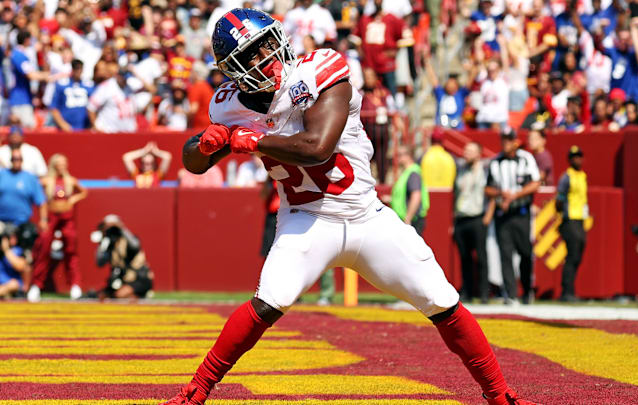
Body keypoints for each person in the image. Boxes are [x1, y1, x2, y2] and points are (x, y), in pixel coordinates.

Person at [161, 9, 537, 405]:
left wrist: (251, 141)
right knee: (270, 299)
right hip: (305, 219)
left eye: (269, 42)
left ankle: (500, 395)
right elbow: (193, 161)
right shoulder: (229, 106)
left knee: (440, 299)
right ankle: (196, 392)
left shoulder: (320, 68)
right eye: (254, 53)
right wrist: (206, 143)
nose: (268, 55)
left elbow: (316, 147)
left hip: (365, 216)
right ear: (233, 68)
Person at [485, 129, 540, 305]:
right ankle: (511, 293)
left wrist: (515, 195)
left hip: (521, 213)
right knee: (505, 254)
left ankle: (526, 291)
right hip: (503, 215)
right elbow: (487, 188)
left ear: (516, 141)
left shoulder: (526, 158)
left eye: (509, 140)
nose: (506, 143)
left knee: (525, 252)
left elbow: (535, 183)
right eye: (504, 140)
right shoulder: (496, 162)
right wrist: (501, 194)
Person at [27, 154, 88, 303]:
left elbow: (84, 192)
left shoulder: (70, 181)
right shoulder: (47, 181)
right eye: (59, 163)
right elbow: (35, 190)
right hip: (52, 217)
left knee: (71, 250)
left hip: (67, 218)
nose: (61, 166)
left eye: (63, 163)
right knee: (43, 249)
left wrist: (72, 199)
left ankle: (75, 286)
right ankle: (36, 285)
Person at [453, 142, 494, 303]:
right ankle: (467, 292)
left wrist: (488, 216)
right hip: (461, 218)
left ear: (479, 154)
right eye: (465, 150)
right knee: (465, 258)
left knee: (481, 257)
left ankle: (484, 292)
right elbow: (456, 195)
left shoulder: (484, 170)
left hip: (477, 217)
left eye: (470, 151)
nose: (466, 153)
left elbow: (492, 192)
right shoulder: (460, 170)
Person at [91, 214, 154, 300]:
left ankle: (141, 295)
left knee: (119, 295)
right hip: (121, 280)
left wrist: (120, 228)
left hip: (139, 279)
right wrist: (103, 240)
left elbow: (136, 245)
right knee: (101, 296)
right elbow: (99, 262)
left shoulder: (127, 240)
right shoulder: (108, 243)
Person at [555, 146, 588, 302]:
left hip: (580, 219)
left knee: (577, 255)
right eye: (574, 157)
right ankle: (566, 291)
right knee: (572, 255)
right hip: (570, 219)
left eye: (579, 156)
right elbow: (559, 198)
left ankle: (570, 290)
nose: (577, 159)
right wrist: (562, 216)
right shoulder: (566, 176)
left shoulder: (582, 175)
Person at [8, 30, 52, 128]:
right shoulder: (18, 55)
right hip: (20, 99)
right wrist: (48, 76)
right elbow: (30, 75)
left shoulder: (19, 54)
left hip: (24, 97)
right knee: (28, 128)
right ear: (27, 40)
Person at [391, 145, 430, 235]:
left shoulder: (413, 173)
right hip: (406, 219)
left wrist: (408, 218)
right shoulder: (407, 172)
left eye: (399, 155)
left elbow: (416, 196)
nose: (397, 158)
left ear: (408, 155)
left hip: (412, 220)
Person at [87, 65, 138, 133]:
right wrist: (96, 127)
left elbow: (152, 90)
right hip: (108, 132)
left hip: (128, 133)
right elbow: (91, 107)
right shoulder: (106, 87)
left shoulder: (130, 86)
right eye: (122, 77)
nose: (124, 79)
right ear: (117, 75)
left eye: (126, 77)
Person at [50, 59, 95, 131]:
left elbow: (94, 107)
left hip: (84, 127)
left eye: (80, 68)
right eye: (76, 68)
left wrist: (92, 124)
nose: (78, 71)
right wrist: (62, 124)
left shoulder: (89, 85)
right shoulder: (62, 84)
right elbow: (54, 107)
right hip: (66, 129)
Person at [0, 222, 27, 299]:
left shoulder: (18, 250)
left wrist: (6, 250)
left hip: (12, 287)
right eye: (12, 236)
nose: (15, 239)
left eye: (15, 236)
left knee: (13, 284)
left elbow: (20, 266)